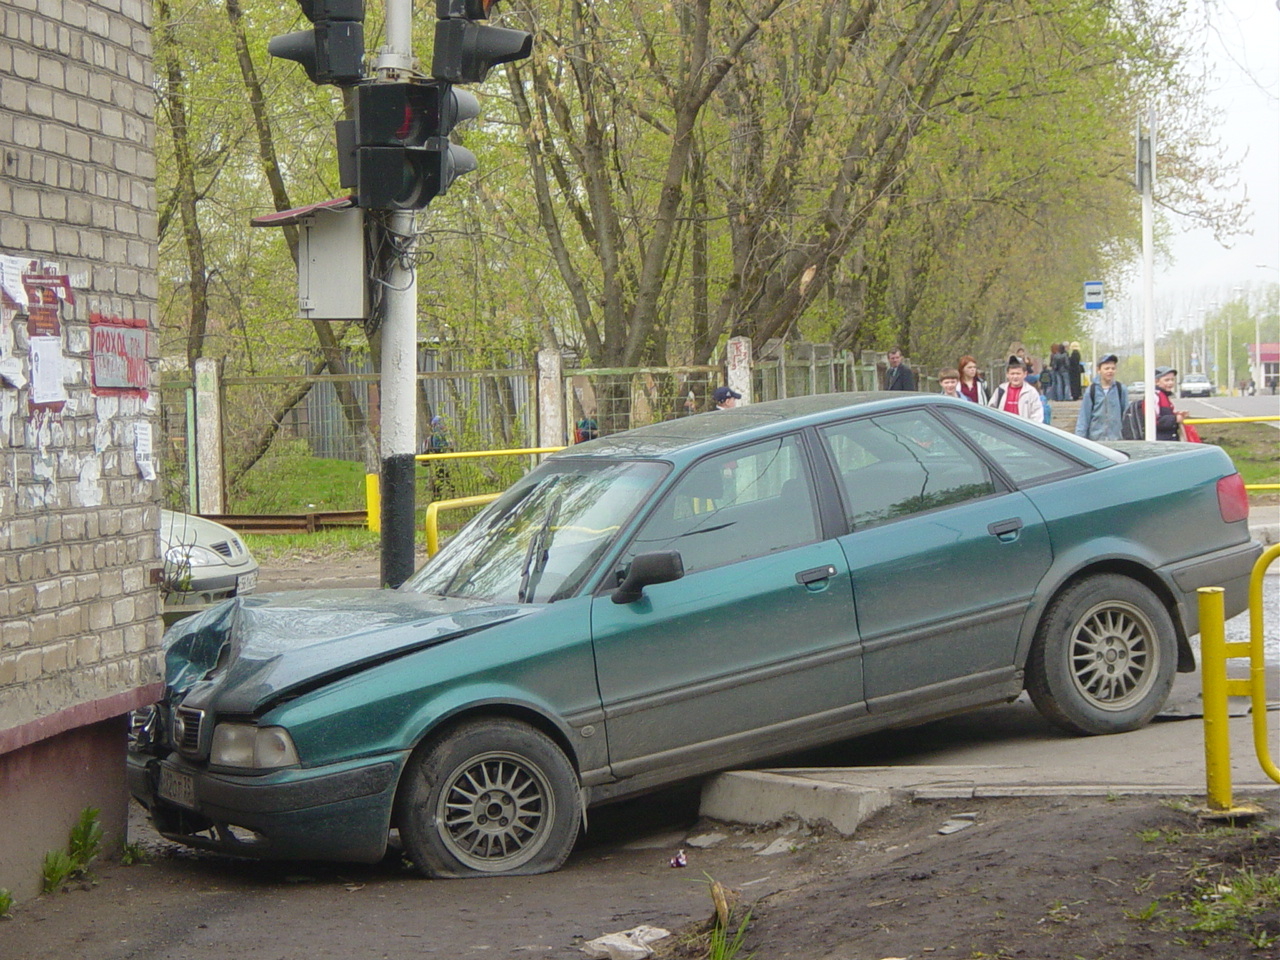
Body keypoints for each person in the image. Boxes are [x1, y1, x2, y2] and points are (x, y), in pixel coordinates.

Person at [1074, 353, 1127, 441]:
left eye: (1113, 368)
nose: (1110, 371)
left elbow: (1126, 416)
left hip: (1117, 440)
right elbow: (1084, 417)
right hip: (1096, 440)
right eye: (1106, 368)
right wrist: (1079, 440)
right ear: (1099, 370)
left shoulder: (1121, 389)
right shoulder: (1091, 391)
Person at [987, 356, 1044, 423]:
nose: (1015, 376)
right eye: (1012, 374)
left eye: (1018, 373)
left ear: (1025, 374)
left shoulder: (1031, 392)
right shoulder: (1001, 390)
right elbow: (991, 411)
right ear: (1007, 375)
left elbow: (1037, 415)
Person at [1150, 366, 1186, 441]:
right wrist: (1175, 418)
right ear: (1156, 382)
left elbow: (1164, 414)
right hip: (1160, 441)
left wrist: (1176, 414)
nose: (1171, 383)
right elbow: (1153, 420)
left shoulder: (1163, 396)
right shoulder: (1154, 396)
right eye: (1167, 380)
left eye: (1172, 380)